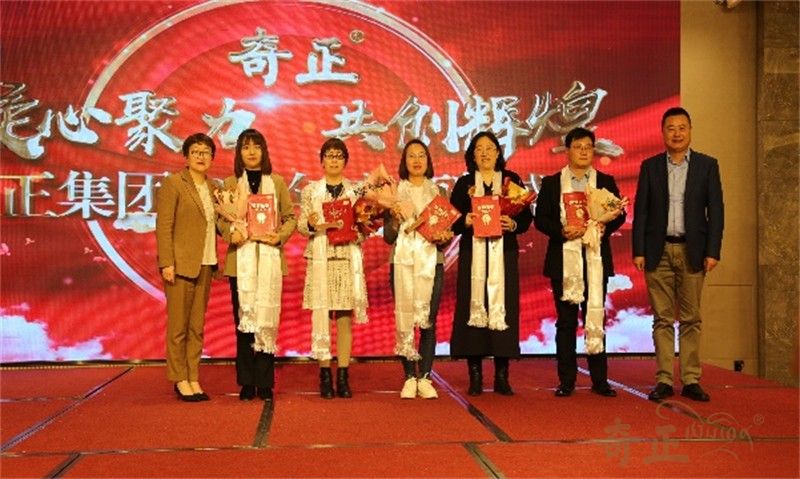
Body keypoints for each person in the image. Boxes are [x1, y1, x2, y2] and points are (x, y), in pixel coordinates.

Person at [632, 107, 724, 402]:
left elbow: (716, 212)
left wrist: (713, 251)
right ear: (662, 132)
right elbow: (641, 211)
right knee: (661, 318)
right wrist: (638, 250)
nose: (676, 133)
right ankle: (663, 380)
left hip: (692, 250)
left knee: (690, 318)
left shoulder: (707, 166)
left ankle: (691, 379)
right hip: (657, 251)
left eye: (682, 127)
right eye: (670, 128)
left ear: (690, 130)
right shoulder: (650, 166)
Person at [534, 127, 627, 398]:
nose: (584, 151)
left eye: (588, 147)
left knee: (595, 315)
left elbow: (618, 214)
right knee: (565, 322)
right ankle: (567, 381)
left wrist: (603, 227)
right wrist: (562, 231)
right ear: (568, 151)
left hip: (595, 257)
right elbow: (541, 219)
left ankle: (600, 381)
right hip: (563, 260)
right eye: (578, 147)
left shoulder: (605, 181)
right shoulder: (552, 183)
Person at [449, 131, 533, 396]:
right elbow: (451, 220)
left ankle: (501, 375)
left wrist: (513, 223)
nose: (484, 153)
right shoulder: (464, 184)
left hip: (503, 254)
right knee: (472, 307)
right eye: (479, 149)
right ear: (472, 156)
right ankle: (475, 375)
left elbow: (527, 218)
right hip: (472, 255)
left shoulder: (511, 181)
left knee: (503, 307)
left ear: (498, 153)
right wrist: (464, 221)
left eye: (490, 148)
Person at [218, 129, 296, 401]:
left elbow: (290, 218)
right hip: (240, 262)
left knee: (267, 320)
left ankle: (264, 381)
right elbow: (221, 220)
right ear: (238, 153)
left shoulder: (277, 182)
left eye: (256, 147)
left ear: (264, 151)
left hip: (270, 259)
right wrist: (231, 233)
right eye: (245, 147)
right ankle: (246, 382)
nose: (251, 152)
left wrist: (280, 236)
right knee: (243, 322)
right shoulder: (230, 183)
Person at [298, 138, 368, 399]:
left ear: (345, 161)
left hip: (347, 257)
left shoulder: (356, 191)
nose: (334, 160)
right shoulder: (310, 191)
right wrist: (313, 224)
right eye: (329, 155)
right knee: (323, 317)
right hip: (321, 257)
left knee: (344, 318)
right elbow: (302, 226)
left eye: (339, 156)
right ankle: (325, 374)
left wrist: (356, 230)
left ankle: (343, 375)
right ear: (322, 160)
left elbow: (365, 228)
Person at [383, 139, 453, 399]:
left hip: (432, 263)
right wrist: (395, 219)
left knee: (428, 320)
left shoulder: (439, 192)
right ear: (404, 161)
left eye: (421, 155)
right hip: (401, 262)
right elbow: (388, 236)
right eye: (411, 156)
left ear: (428, 160)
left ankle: (424, 376)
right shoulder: (395, 192)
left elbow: (445, 235)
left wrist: (444, 236)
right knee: (405, 319)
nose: (416, 160)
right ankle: (408, 377)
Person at [156, 133, 219, 402]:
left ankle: (193, 376)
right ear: (186, 156)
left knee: (197, 327)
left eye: (206, 152)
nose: (201, 157)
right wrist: (166, 262)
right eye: (196, 152)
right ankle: (179, 378)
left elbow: (220, 223)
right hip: (180, 265)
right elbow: (164, 226)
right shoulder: (174, 183)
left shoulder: (214, 187)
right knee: (178, 327)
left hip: (206, 262)